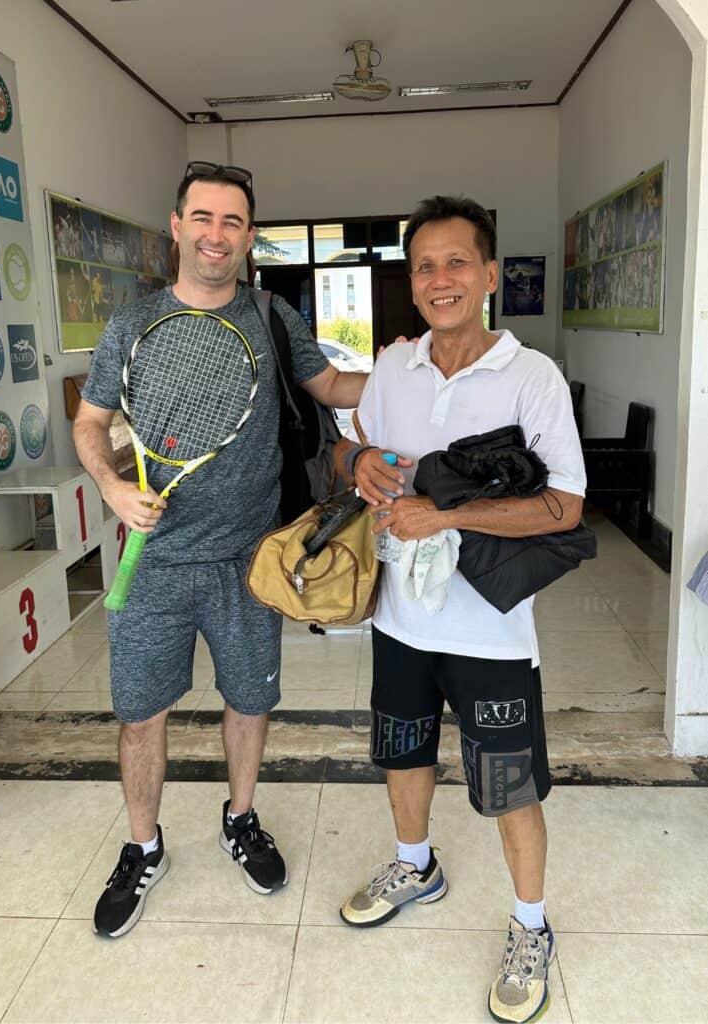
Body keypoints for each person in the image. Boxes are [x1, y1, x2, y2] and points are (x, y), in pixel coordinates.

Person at [73, 162, 367, 939]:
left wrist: (415, 366)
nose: (216, 235)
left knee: (250, 701)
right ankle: (143, 847)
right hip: (157, 561)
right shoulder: (130, 327)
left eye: (232, 222)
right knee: (141, 715)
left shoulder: (271, 315)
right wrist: (110, 488)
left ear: (247, 236)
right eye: (202, 218)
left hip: (249, 559)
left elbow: (331, 390)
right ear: (176, 226)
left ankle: (241, 818)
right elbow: (89, 423)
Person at [335, 195, 586, 1024]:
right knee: (402, 756)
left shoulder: (530, 375)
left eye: (455, 263)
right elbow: (348, 446)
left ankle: (529, 925)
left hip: (490, 634)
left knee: (509, 785)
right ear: (412, 284)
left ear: (486, 275)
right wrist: (359, 457)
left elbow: (565, 507)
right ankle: (416, 865)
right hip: (399, 621)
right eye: (423, 267)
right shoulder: (394, 370)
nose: (439, 279)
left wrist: (444, 514)